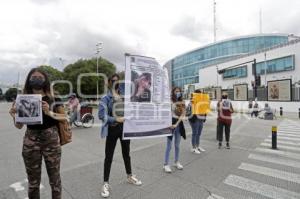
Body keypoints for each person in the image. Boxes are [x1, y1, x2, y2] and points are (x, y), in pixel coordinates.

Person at [9, 68, 67, 199]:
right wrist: (15, 116)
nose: (36, 79)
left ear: (45, 80)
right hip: (31, 142)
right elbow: (19, 126)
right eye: (33, 77)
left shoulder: (53, 97)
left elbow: (64, 117)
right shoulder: (23, 99)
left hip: (51, 141)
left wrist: (49, 112)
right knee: (33, 182)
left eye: (40, 77)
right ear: (29, 80)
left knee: (55, 180)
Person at [98, 74, 142, 198]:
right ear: (109, 82)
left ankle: (129, 176)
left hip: (125, 129)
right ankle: (105, 183)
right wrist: (116, 119)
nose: (116, 82)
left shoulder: (125, 96)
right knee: (109, 157)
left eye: (118, 81)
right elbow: (102, 116)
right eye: (113, 81)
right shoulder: (105, 98)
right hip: (112, 129)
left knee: (126, 154)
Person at [163, 87, 186, 173]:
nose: (178, 93)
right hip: (170, 125)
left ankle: (176, 162)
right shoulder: (169, 101)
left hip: (178, 125)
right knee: (169, 146)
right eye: (176, 91)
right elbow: (165, 113)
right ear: (173, 92)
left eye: (179, 91)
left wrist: (176, 124)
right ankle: (166, 164)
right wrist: (169, 124)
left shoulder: (182, 102)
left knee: (177, 145)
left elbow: (183, 114)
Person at [187, 89, 206, 154]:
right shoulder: (192, 102)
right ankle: (193, 148)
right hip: (194, 119)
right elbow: (189, 111)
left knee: (199, 133)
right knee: (195, 133)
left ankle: (197, 146)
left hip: (201, 118)